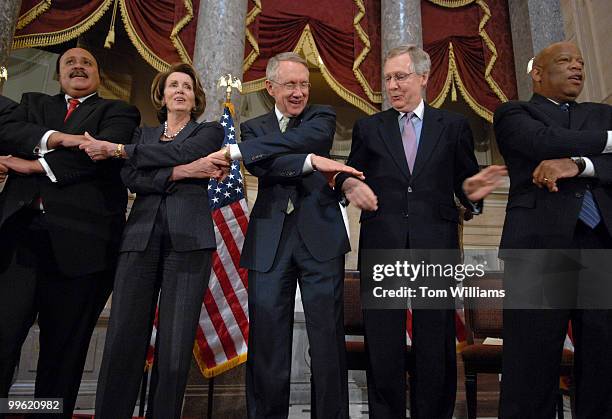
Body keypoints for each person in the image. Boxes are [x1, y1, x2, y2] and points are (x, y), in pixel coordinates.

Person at [334, 44, 506, 419]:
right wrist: (349, 187)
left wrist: (472, 194)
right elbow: (347, 176)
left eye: (401, 77)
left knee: (435, 338)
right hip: (384, 243)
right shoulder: (369, 127)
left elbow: (466, 183)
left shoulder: (454, 126)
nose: (393, 86)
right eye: (389, 79)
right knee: (383, 340)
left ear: (425, 78)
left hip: (435, 243)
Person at [78, 63, 226, 418]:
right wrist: (185, 172)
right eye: (173, 85)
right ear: (161, 95)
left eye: (187, 87)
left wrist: (120, 150)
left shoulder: (209, 132)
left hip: (189, 242)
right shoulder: (142, 135)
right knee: (123, 340)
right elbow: (133, 180)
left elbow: (177, 153)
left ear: (195, 99)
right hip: (139, 240)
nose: (180, 91)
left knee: (175, 349)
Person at [0, 47, 140, 416]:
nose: (78, 66)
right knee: (2, 340)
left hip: (82, 249)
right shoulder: (31, 103)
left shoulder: (119, 112)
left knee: (62, 355)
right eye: (69, 63)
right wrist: (61, 139)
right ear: (59, 74)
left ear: (98, 73)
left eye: (87, 63)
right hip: (19, 242)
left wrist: (32, 166)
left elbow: (96, 155)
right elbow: (10, 133)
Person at [219, 52, 352, 419]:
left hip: (320, 236)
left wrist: (248, 152)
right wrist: (309, 161)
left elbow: (312, 139)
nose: (298, 92)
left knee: (326, 338)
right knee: (267, 339)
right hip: (269, 240)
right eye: (290, 84)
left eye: (304, 84)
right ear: (270, 87)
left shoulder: (321, 117)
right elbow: (262, 166)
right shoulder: (254, 125)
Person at [495, 41, 612, 418]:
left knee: (603, 356)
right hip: (538, 247)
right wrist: (607, 144)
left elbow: (566, 151)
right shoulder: (514, 112)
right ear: (538, 73)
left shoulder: (601, 113)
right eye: (565, 61)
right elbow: (540, 142)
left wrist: (581, 165)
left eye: (580, 62)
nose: (577, 67)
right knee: (531, 359)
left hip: (599, 245)